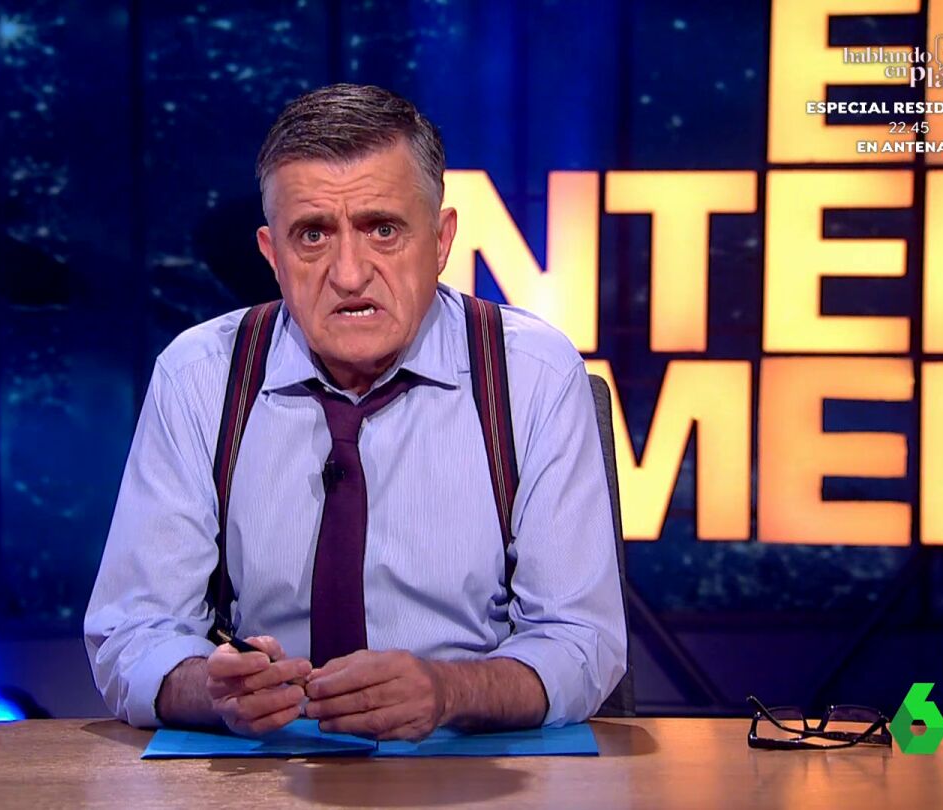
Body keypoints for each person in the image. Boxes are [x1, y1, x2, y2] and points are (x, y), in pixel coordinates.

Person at [85, 83, 625, 741]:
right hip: (263, 765)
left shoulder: (532, 373)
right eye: (313, 235)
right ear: (273, 255)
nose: (348, 273)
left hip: (471, 760)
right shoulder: (199, 376)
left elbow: (580, 640)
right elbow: (133, 634)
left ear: (441, 239)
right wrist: (214, 691)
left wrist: (450, 691)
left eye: (383, 229)